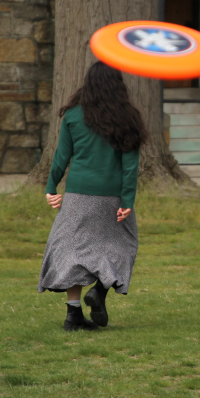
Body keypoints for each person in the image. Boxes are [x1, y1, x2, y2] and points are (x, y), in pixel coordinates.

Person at [40, 61, 148, 332]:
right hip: (111, 196)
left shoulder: (74, 116)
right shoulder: (128, 118)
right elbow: (130, 166)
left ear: (88, 83)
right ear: (118, 85)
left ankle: (72, 315)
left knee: (71, 251)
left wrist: (51, 187)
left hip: (77, 195)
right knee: (122, 245)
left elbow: (61, 156)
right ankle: (99, 291)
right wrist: (127, 201)